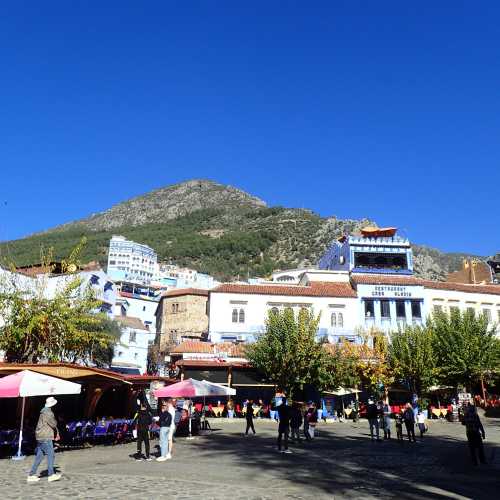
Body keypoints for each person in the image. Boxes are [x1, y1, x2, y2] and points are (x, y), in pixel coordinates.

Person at [27, 397, 62, 483]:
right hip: (45, 436)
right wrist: (57, 424)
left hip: (40, 436)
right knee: (51, 454)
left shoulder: (43, 411)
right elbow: (53, 424)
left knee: (39, 456)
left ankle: (31, 474)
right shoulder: (48, 412)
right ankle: (51, 474)